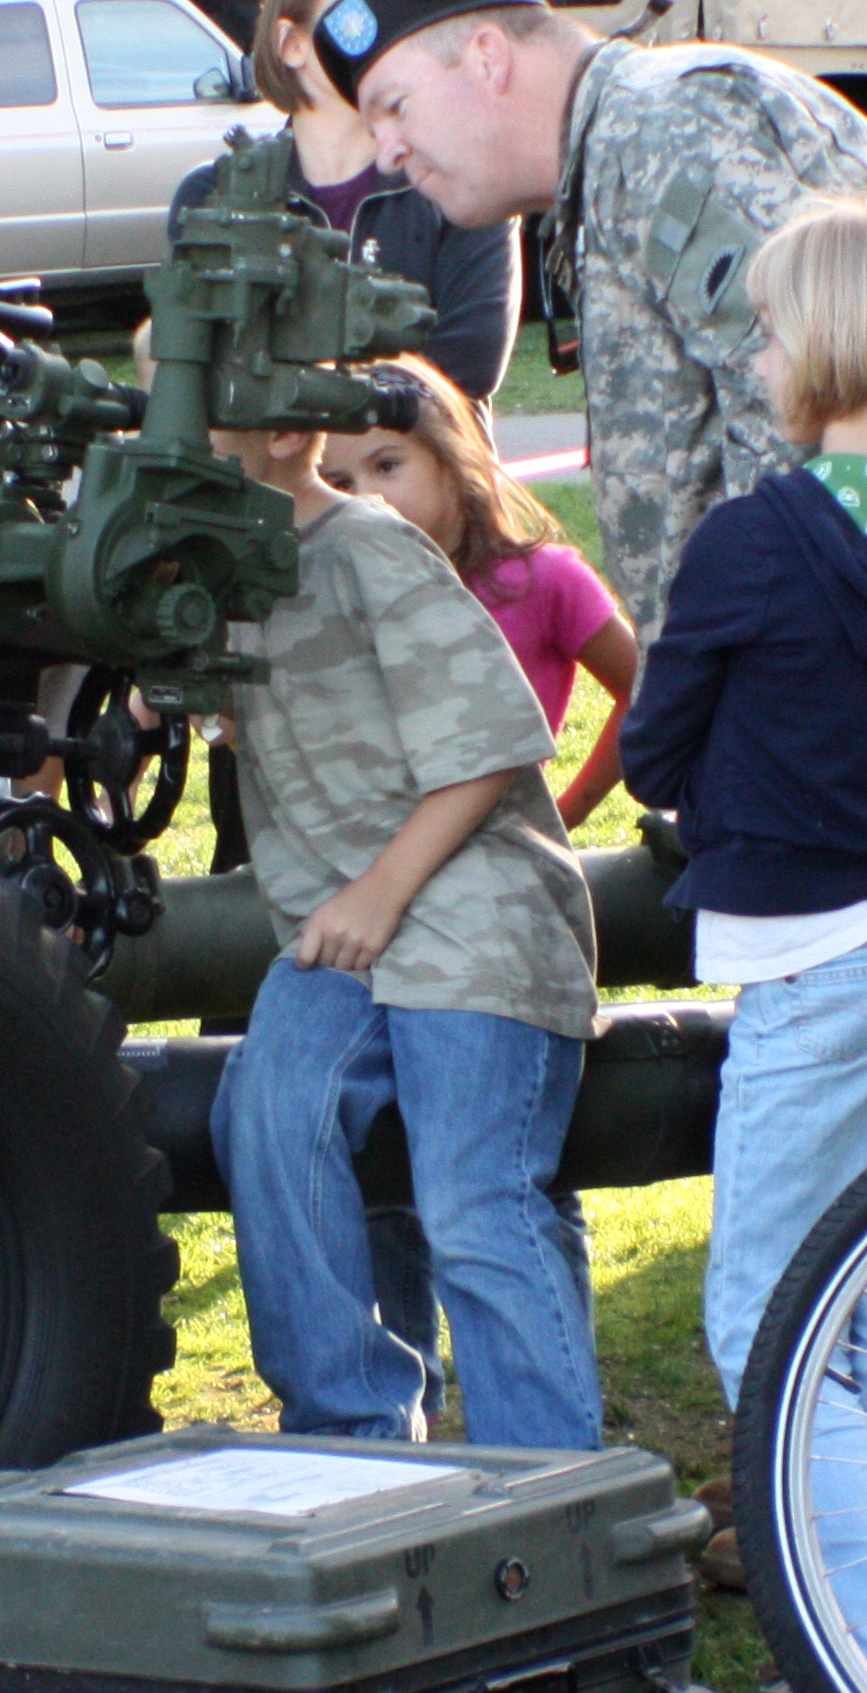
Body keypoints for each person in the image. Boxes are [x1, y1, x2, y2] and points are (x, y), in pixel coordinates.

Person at [319, 0, 867, 1202]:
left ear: (488, 56)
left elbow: (796, 421)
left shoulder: (663, 126)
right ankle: (864, 1385)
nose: (386, 151)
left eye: (393, 103)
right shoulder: (620, 154)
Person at [616, 195, 867, 1693]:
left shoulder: (753, 536)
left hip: (819, 958)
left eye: (773, 324)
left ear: (829, 341)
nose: (761, 347)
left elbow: (655, 744)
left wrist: (716, 792)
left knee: (767, 1322)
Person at [205, 409, 604, 1456]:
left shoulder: (371, 545)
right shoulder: (230, 570)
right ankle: (352, 1435)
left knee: (475, 1196)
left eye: (200, 405)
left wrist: (380, 892)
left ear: (285, 428)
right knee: (269, 1111)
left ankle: (549, 1485)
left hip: (468, 913)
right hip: (343, 936)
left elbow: (488, 745)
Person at [170, 0, 518, 407]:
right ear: (292, 44)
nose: (389, 33)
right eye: (362, 16)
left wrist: (321, 402)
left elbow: (471, 361)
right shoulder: (215, 195)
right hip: (275, 472)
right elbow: (200, 356)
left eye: (404, 16)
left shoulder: (463, 179)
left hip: (421, 462)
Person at [327, 354, 640, 829]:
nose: (366, 497)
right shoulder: (332, 588)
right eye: (340, 483)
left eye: (387, 466)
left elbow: (644, 687)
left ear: (450, 461)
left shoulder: (543, 580)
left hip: (495, 859)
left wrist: (568, 812)